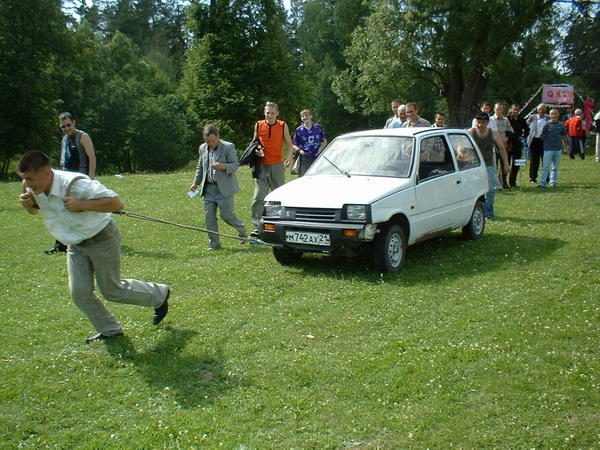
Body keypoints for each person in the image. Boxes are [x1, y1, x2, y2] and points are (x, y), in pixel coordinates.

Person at [17, 150, 170, 343]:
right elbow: (33, 211)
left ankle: (159, 294)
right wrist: (28, 204)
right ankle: (110, 330)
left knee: (112, 290)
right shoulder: (31, 187)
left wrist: (82, 204)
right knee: (79, 292)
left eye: (30, 179)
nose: (27, 185)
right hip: (74, 244)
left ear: (47, 174)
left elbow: (116, 203)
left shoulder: (75, 184)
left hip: (101, 238)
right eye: (24, 179)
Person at [45, 112, 97, 254]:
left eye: (68, 125)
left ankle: (84, 240)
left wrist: (90, 178)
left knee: (81, 211)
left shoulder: (83, 137)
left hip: (81, 180)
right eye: (63, 126)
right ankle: (60, 244)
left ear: (74, 122)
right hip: (66, 181)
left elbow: (92, 157)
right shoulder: (64, 139)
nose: (66, 128)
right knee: (62, 210)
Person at [190, 124, 247, 250]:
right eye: (207, 141)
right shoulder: (203, 148)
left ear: (218, 137)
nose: (210, 143)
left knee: (226, 216)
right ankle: (214, 244)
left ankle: (242, 230)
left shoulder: (228, 147)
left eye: (213, 140)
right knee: (209, 217)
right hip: (209, 189)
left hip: (224, 189)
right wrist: (196, 183)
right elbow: (200, 166)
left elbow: (235, 165)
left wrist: (223, 166)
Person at [250, 102, 294, 236]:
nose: (269, 115)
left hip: (277, 165)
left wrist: (289, 157)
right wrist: (257, 151)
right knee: (259, 196)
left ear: (277, 113)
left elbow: (289, 143)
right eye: (267, 112)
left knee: (279, 195)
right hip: (262, 165)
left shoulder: (282, 125)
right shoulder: (259, 124)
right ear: (264, 112)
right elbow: (254, 143)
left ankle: (279, 223)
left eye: (272, 113)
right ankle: (257, 226)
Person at [468, 112, 510, 220]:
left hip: (488, 164)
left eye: (483, 122)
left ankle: (488, 212)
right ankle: (472, 212)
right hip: (473, 166)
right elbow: (460, 147)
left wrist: (506, 164)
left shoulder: (493, 133)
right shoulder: (470, 132)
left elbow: (501, 148)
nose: (480, 125)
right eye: (478, 122)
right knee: (473, 190)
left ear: (487, 123)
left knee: (490, 189)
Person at [292, 109, 328, 176]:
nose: (305, 117)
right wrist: (300, 151)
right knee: (304, 176)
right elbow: (294, 144)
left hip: (316, 155)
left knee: (317, 175)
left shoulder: (318, 128)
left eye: (306, 115)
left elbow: (324, 141)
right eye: (303, 116)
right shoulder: (299, 130)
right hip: (305, 156)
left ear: (311, 116)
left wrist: (319, 150)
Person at [538, 109, 568, 188]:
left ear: (558, 115)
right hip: (548, 148)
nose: (553, 116)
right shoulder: (547, 124)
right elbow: (542, 135)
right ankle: (542, 182)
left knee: (555, 167)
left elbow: (563, 136)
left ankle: (553, 181)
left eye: (555, 114)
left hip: (558, 149)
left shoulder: (561, 125)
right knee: (545, 167)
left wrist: (566, 148)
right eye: (551, 114)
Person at [506, 103, 530, 188]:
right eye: (514, 109)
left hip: (517, 144)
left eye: (517, 110)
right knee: (506, 163)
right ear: (511, 109)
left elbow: (527, 129)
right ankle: (504, 182)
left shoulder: (521, 119)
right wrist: (514, 137)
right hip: (508, 143)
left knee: (516, 164)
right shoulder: (507, 119)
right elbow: (506, 131)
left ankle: (513, 182)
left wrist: (523, 137)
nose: (515, 111)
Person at [526, 104, 550, 184]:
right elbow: (526, 125)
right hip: (534, 140)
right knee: (534, 160)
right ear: (537, 110)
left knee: (545, 160)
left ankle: (546, 178)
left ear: (545, 110)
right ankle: (533, 178)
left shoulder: (548, 118)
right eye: (540, 109)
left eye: (543, 109)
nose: (541, 111)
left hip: (545, 141)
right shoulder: (532, 117)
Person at [492, 103, 514, 188]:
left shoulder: (506, 120)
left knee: (504, 163)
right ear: (494, 109)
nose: (499, 111)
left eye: (501, 109)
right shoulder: (491, 120)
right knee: (495, 165)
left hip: (504, 145)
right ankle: (495, 183)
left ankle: (504, 182)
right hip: (494, 144)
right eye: (497, 109)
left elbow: (510, 130)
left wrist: (507, 138)